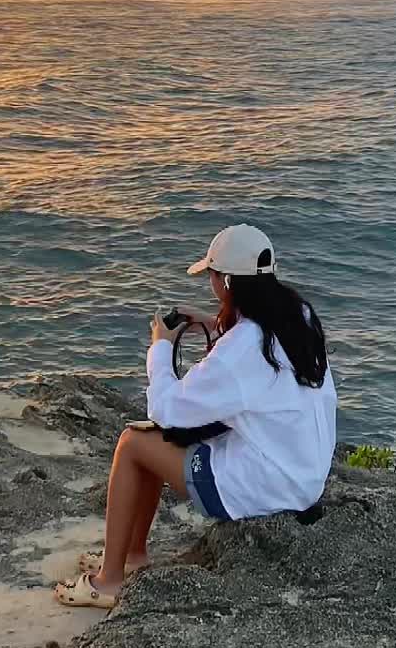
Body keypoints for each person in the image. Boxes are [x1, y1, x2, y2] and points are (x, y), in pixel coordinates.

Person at [54, 224, 336, 610]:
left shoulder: (240, 350)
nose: (211, 283)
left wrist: (160, 348)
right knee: (156, 442)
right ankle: (132, 556)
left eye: (213, 276)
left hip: (266, 488)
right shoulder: (298, 316)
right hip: (303, 476)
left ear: (226, 282)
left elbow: (167, 410)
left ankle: (110, 581)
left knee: (135, 442)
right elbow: (256, 365)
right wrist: (212, 322)